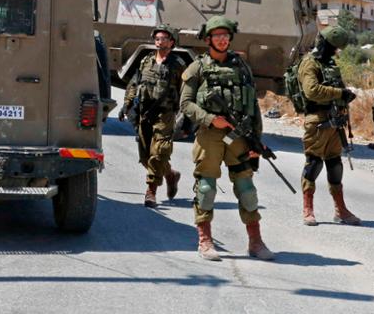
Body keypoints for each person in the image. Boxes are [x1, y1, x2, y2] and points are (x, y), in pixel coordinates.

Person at [180, 16, 273, 261]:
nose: (222, 40)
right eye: (217, 36)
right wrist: (211, 119)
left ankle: (256, 242)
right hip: (210, 136)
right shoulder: (197, 68)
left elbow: (253, 106)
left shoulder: (242, 66)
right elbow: (186, 104)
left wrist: (256, 141)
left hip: (238, 136)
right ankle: (205, 240)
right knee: (206, 188)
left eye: (225, 35)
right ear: (208, 39)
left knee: (247, 190)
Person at [296, 26, 361, 227]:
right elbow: (311, 91)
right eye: (334, 48)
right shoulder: (310, 63)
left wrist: (345, 96)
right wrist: (339, 93)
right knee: (314, 163)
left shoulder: (329, 64)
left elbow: (336, 87)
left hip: (335, 120)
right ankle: (308, 210)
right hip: (318, 121)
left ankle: (340, 210)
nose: (335, 52)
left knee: (335, 165)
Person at [120, 25, 185, 207]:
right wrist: (127, 104)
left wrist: (186, 117)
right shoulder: (146, 60)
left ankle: (151, 191)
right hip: (145, 112)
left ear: (171, 42)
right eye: (157, 38)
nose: (159, 41)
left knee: (159, 152)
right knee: (145, 156)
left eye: (164, 38)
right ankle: (170, 174)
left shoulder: (178, 65)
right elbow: (135, 83)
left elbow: (186, 91)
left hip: (165, 114)